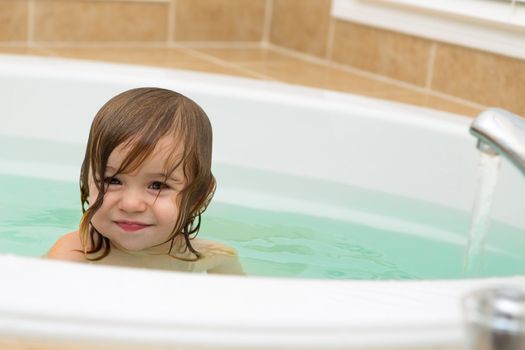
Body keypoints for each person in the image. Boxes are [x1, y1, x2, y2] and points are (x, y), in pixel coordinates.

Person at [46, 87, 244, 275]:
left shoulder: (213, 257)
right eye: (113, 180)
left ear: (198, 198)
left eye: (158, 185)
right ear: (86, 182)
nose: (131, 204)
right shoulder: (74, 255)